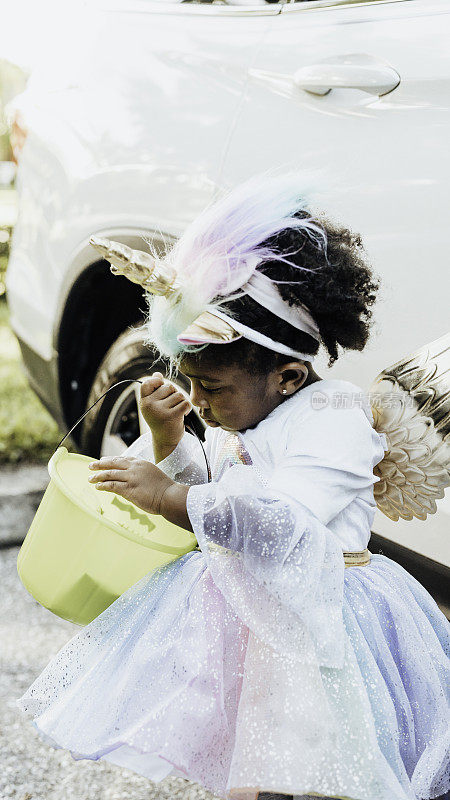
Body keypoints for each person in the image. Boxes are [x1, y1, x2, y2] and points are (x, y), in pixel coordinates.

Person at [16, 173, 450, 800]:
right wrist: (172, 447)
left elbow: (283, 521)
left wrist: (170, 498)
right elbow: (224, 490)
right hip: (253, 610)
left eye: (210, 388)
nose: (198, 401)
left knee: (319, 765)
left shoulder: (336, 421)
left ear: (289, 377)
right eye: (189, 383)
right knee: (254, 760)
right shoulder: (246, 411)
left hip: (322, 623)